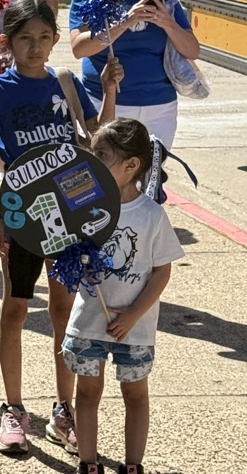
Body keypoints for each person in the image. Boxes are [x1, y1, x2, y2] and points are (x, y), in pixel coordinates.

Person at [0, 0, 123, 456]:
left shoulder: (65, 83)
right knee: (16, 309)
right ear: (7, 42)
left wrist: (108, 88)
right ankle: (14, 408)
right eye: (24, 38)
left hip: (69, 215)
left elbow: (98, 138)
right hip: (22, 216)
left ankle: (63, 410)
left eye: (43, 37)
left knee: (63, 312)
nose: (35, 47)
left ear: (55, 39)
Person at [62, 118, 184, 474]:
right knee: (86, 393)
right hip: (89, 322)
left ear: (131, 165)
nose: (93, 161)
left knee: (135, 394)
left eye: (102, 155)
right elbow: (63, 247)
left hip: (136, 328)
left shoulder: (151, 215)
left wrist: (133, 314)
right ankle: (88, 461)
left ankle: (133, 465)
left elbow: (162, 270)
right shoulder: (83, 207)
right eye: (93, 152)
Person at [69, 0, 199, 150]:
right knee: (110, 180)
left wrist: (167, 22)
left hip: (160, 105)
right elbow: (79, 49)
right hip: (108, 103)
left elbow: (192, 50)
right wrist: (125, 22)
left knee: (152, 178)